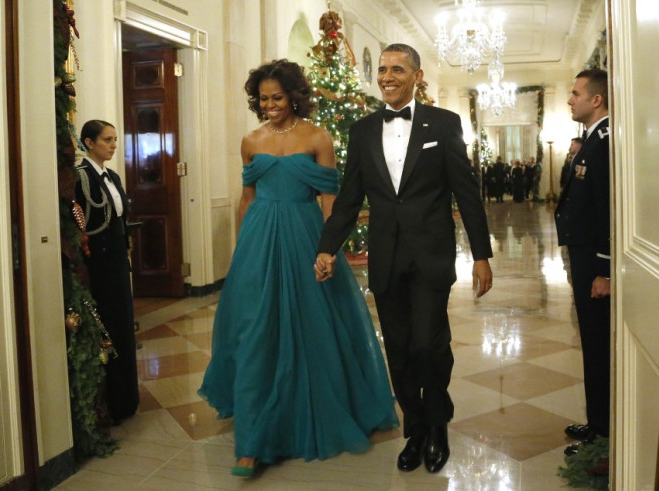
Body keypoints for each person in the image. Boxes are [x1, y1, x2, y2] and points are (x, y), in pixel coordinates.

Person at [198, 59, 398, 477]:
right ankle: (251, 442)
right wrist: (241, 248)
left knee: (313, 326)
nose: (270, 105)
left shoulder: (318, 137)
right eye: (263, 98)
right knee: (257, 329)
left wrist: (329, 249)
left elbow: (330, 202)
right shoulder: (251, 140)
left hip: (306, 235)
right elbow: (247, 198)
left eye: (277, 97)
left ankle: (314, 410)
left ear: (294, 96)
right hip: (259, 240)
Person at [315, 44, 493, 474]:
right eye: (381, 69)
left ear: (416, 75)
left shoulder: (444, 124)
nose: (387, 76)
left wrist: (482, 255)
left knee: (427, 343)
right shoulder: (361, 131)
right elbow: (349, 198)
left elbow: (466, 192)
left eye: (397, 69)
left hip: (431, 253)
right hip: (387, 255)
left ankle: (437, 423)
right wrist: (327, 246)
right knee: (398, 347)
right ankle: (415, 427)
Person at [554, 68, 610, 456]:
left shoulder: (604, 142)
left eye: (575, 94)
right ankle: (597, 422)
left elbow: (608, 206)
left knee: (598, 344)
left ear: (596, 100)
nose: (570, 100)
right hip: (584, 255)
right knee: (591, 343)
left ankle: (603, 432)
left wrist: (605, 268)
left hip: (595, 259)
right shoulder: (590, 140)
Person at [75, 120, 139, 424]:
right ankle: (111, 402)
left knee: (124, 324)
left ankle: (128, 399)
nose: (113, 145)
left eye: (115, 139)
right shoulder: (81, 176)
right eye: (107, 140)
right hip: (99, 263)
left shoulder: (111, 175)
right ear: (89, 143)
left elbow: (119, 217)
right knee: (108, 327)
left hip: (116, 260)